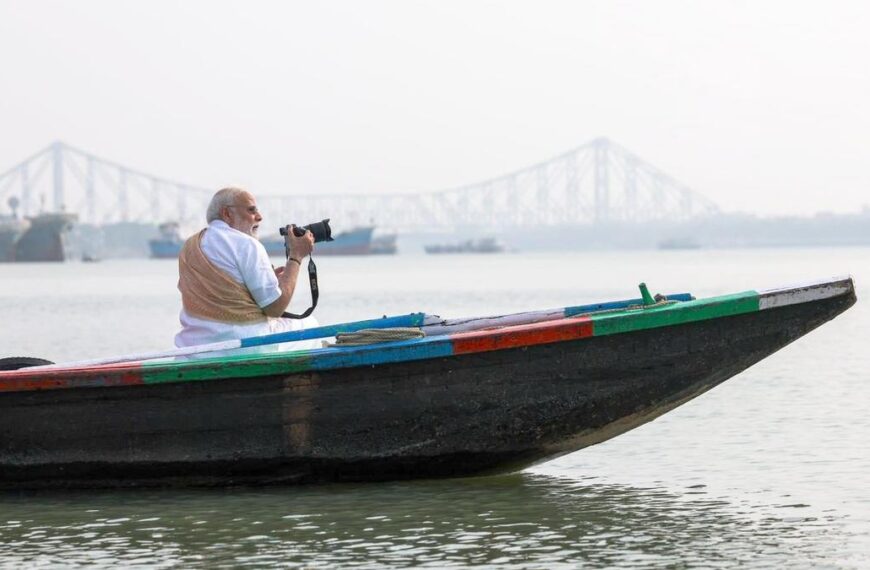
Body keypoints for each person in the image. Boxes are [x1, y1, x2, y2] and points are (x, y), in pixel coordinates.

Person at [174, 187, 320, 355]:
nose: (259, 217)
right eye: (251, 210)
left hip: (194, 348)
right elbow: (274, 308)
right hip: (246, 346)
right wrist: (296, 256)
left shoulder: (190, 246)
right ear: (227, 214)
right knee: (309, 324)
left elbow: (220, 292)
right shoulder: (247, 244)